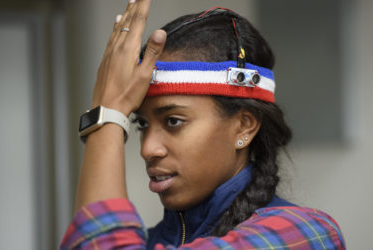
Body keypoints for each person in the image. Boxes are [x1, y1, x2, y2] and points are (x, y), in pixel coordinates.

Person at [60, 0, 345, 249]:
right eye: (141, 123)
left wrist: (107, 116)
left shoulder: (305, 233)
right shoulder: (144, 242)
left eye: (173, 121)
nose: (148, 149)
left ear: (244, 126)